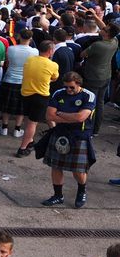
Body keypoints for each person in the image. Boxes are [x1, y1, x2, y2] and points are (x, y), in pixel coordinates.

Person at [40, 73, 96, 209]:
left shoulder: (88, 95)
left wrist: (61, 114)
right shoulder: (59, 93)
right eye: (66, 87)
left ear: (79, 84)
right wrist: (71, 117)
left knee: (78, 171)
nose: (68, 90)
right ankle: (58, 195)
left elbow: (80, 117)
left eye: (71, 87)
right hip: (60, 133)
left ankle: (82, 190)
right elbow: (49, 115)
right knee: (56, 166)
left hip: (79, 135)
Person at [16, 41, 59, 158]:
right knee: (32, 123)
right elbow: (54, 77)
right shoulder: (53, 65)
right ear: (50, 51)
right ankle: (23, 148)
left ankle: (30, 141)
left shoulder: (30, 60)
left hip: (25, 94)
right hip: (40, 96)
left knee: (28, 119)